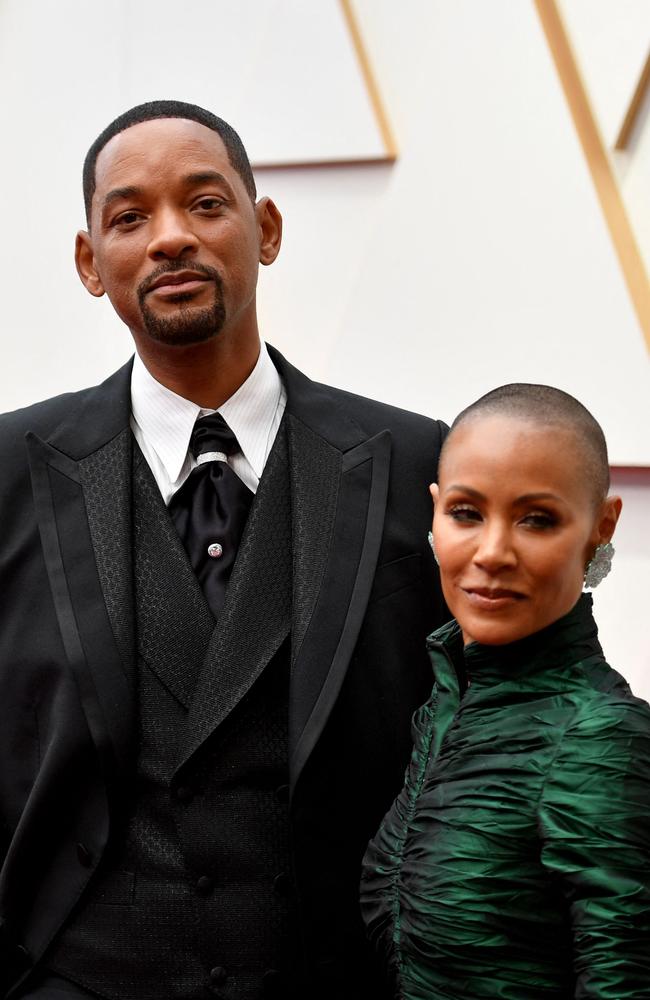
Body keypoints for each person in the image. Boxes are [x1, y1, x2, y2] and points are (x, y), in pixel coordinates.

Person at [0, 101, 449, 1000]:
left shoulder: (415, 463)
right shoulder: (9, 472)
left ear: (266, 229)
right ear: (90, 262)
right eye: (130, 217)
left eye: (205, 204)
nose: (170, 238)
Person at [361, 383, 650, 999]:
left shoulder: (601, 737)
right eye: (467, 513)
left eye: (537, 520)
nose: (492, 553)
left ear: (601, 525)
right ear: (434, 514)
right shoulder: (444, 705)